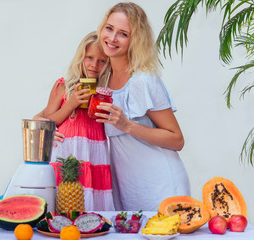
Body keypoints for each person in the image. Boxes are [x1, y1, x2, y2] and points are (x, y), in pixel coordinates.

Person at [94, 2, 191, 211]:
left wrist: (127, 125)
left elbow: (177, 139)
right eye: (109, 28)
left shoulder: (143, 80)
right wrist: (50, 127)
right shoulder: (102, 76)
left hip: (161, 186)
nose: (112, 38)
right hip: (127, 187)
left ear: (135, 40)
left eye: (123, 34)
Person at [33, 31, 115, 211]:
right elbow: (48, 119)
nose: (95, 64)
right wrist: (71, 104)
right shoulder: (64, 85)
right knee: (65, 197)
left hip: (94, 152)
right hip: (67, 151)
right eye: (90, 58)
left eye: (102, 60)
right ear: (81, 57)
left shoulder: (105, 92)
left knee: (93, 195)